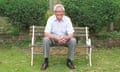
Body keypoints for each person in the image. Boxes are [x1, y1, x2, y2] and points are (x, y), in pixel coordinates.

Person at [41, 4, 76, 70]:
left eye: (61, 12)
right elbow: (46, 33)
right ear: (54, 12)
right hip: (53, 40)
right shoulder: (50, 19)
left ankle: (69, 61)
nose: (59, 13)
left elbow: (71, 34)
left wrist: (65, 38)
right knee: (45, 39)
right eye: (57, 12)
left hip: (64, 40)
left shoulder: (67, 19)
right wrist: (56, 38)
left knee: (73, 40)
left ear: (63, 12)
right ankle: (46, 61)